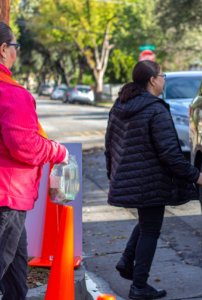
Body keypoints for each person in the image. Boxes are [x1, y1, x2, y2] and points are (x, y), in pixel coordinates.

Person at [105, 60, 202, 300]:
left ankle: (126, 261)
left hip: (130, 177)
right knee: (151, 228)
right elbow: (170, 154)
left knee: (146, 221)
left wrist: (113, 173)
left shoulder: (120, 105)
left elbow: (109, 145)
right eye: (162, 75)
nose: (164, 79)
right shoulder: (155, 109)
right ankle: (139, 285)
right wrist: (197, 176)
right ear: (152, 80)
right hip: (151, 180)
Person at [0, 22, 68, 300]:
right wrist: (57, 151)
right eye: (16, 47)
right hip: (8, 196)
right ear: (3, 49)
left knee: (16, 274)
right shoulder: (12, 94)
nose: (17, 52)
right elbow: (24, 146)